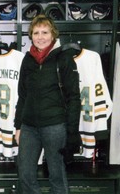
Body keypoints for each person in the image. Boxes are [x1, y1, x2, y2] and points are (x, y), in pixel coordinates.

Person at [14, 14, 81, 194]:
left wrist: (72, 131)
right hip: (29, 127)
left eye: (45, 32)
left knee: (56, 174)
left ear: (53, 35)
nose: (40, 37)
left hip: (55, 126)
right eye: (36, 32)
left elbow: (74, 97)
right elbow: (22, 95)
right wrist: (18, 126)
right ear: (31, 35)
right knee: (25, 174)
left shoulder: (64, 58)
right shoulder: (27, 59)